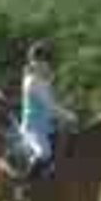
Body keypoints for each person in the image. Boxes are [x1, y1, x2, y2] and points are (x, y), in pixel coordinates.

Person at [18, 40, 77, 181]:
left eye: (46, 62)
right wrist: (68, 115)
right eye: (41, 61)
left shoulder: (43, 80)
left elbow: (52, 104)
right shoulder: (32, 81)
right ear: (33, 62)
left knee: (68, 139)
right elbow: (49, 106)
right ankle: (24, 185)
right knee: (43, 153)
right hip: (33, 128)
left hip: (47, 127)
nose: (45, 65)